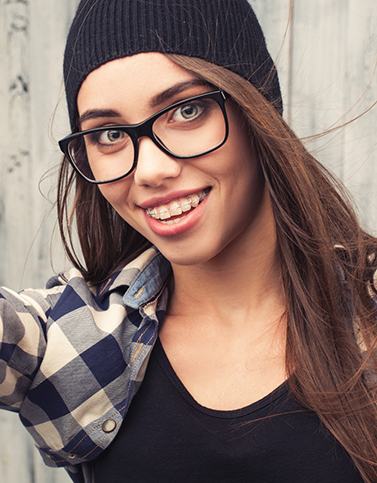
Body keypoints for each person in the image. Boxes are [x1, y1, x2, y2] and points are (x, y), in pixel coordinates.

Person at [1, 0, 377, 482]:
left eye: (187, 109)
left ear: (257, 111)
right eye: (110, 134)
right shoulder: (71, 340)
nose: (151, 170)